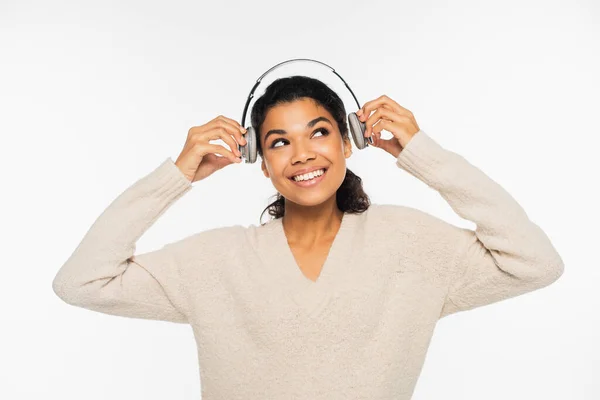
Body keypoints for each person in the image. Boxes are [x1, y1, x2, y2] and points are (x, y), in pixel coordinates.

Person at [52, 75, 564, 399]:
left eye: (319, 132)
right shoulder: (216, 260)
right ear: (260, 162)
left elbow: (534, 263)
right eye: (280, 142)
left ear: (349, 141)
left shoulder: (411, 244)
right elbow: (82, 282)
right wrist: (176, 175)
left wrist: (423, 154)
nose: (302, 154)